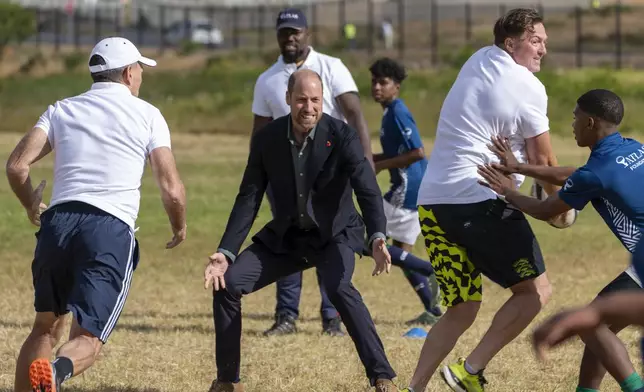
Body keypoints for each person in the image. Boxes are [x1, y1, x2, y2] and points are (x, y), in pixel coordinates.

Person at [6, 37, 187, 392]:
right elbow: (171, 188)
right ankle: (56, 373)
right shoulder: (148, 114)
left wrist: (31, 204)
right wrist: (179, 227)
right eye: (139, 70)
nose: (140, 78)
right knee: (89, 338)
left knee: (44, 326)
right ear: (128, 74)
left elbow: (16, 166)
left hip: (57, 223)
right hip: (107, 228)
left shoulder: (62, 109)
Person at [204, 69, 398, 392]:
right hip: (288, 237)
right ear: (287, 100)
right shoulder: (267, 140)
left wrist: (377, 236)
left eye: (315, 100)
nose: (308, 107)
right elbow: (248, 198)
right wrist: (226, 252)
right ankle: (227, 381)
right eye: (301, 100)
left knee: (338, 287)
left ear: (323, 102)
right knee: (228, 285)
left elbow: (367, 188)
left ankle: (382, 376)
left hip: (335, 234)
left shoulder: (342, 136)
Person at [402, 8, 558, 392]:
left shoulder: (478, 59)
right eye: (536, 41)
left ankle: (414, 388)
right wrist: (561, 211)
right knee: (536, 292)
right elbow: (545, 162)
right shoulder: (528, 86)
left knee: (462, 307)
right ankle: (468, 371)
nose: (542, 50)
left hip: (433, 205)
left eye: (545, 43)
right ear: (511, 43)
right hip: (478, 200)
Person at [478, 89, 644, 392]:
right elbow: (578, 174)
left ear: (590, 122)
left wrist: (508, 190)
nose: (572, 123)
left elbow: (545, 210)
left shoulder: (596, 173)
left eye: (575, 117)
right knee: (597, 329)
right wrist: (520, 168)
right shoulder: (633, 148)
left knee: (592, 323)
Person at [251, 7, 373, 337]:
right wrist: (256, 178)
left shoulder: (331, 67)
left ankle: (332, 317)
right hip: (285, 179)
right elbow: (259, 135)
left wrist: (365, 162)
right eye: (284, 32)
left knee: (330, 241)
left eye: (296, 31)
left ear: (307, 34)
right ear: (277, 35)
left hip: (329, 176)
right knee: (288, 241)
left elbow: (354, 114)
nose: (290, 37)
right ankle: (286, 316)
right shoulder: (267, 80)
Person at [368, 57, 442, 326]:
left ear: (396, 86)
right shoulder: (390, 111)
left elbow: (417, 152)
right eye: (374, 81)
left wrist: (380, 165)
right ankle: (433, 311)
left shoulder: (398, 112)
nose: (377, 87)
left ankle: (431, 270)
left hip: (407, 188)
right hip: (413, 187)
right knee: (401, 253)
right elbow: (394, 153)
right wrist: (372, 159)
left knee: (369, 239)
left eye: (383, 82)